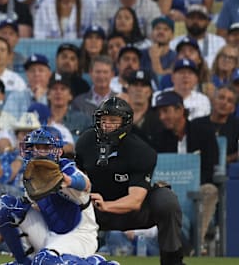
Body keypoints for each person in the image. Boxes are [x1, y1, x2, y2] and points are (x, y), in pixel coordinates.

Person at [74, 97, 185, 265]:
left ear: (124, 123)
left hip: (131, 210)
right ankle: (64, 256)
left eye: (113, 120)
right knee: (64, 199)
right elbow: (77, 177)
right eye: (104, 120)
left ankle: (172, 261)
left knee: (166, 199)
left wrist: (107, 205)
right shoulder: (85, 142)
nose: (107, 125)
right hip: (93, 208)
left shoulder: (141, 151)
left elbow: (135, 201)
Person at [0, 126, 101, 265]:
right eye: (35, 147)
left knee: (46, 260)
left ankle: (96, 262)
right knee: (5, 206)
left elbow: (85, 183)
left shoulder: (66, 168)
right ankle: (25, 261)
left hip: (80, 234)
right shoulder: (31, 175)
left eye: (45, 147)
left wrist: (68, 181)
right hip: (51, 233)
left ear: (59, 151)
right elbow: (34, 210)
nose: (38, 151)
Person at [151, 90, 219, 249]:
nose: (162, 117)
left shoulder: (204, 133)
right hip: (169, 191)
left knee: (210, 189)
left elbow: (211, 167)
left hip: (197, 190)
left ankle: (196, 244)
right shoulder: (159, 137)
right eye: (160, 113)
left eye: (166, 111)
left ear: (180, 110)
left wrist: (190, 182)